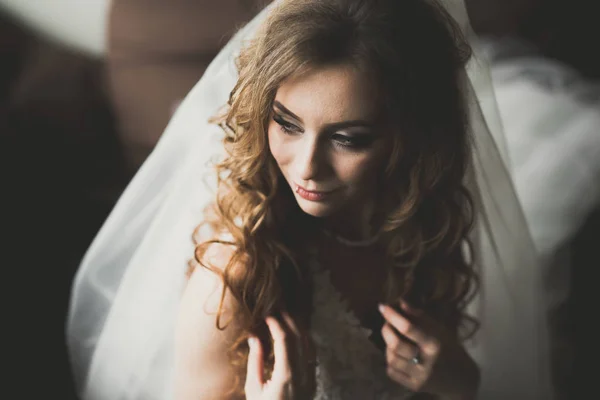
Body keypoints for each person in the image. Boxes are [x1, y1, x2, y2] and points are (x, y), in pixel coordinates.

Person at [67, 0, 553, 399]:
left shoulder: (421, 229)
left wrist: (457, 385)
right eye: (287, 123)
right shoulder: (234, 276)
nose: (305, 167)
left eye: (348, 138)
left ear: (414, 139)